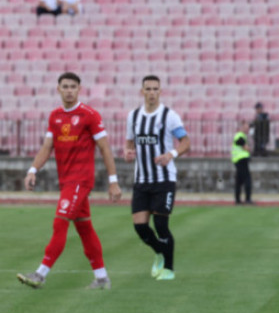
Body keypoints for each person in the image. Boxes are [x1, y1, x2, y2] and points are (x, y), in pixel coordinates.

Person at [17, 72, 122, 290]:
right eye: (65, 86)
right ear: (58, 89)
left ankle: (40, 274)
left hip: (80, 180)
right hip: (66, 181)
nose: (69, 90)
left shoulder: (89, 115)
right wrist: (32, 169)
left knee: (60, 222)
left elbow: (105, 148)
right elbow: (47, 148)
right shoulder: (54, 116)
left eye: (73, 86)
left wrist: (113, 181)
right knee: (85, 228)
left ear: (79, 89)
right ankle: (102, 278)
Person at [125, 75, 191, 281]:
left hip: (164, 180)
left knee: (161, 225)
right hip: (142, 180)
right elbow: (129, 143)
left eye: (155, 89)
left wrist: (171, 154)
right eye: (148, 89)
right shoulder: (133, 116)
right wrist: (128, 152)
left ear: (160, 91)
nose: (152, 92)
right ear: (142, 91)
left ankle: (169, 269)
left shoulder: (169, 116)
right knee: (140, 227)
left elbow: (186, 142)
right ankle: (159, 252)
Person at [232, 120, 253, 205]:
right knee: (247, 179)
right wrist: (247, 147)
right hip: (241, 160)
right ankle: (247, 199)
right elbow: (242, 144)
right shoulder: (240, 135)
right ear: (241, 127)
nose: (247, 129)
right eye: (246, 127)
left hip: (238, 160)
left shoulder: (241, 136)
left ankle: (237, 200)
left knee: (239, 180)